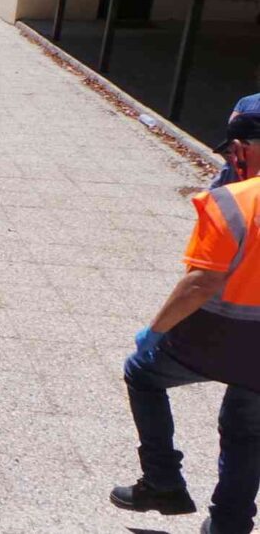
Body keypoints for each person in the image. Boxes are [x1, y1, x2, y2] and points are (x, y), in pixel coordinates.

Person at [110, 113, 260, 534]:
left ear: (243, 148)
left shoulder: (234, 201)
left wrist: (155, 330)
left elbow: (202, 281)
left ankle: (162, 480)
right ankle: (229, 526)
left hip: (216, 336)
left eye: (233, 152)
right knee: (248, 432)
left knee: (142, 373)